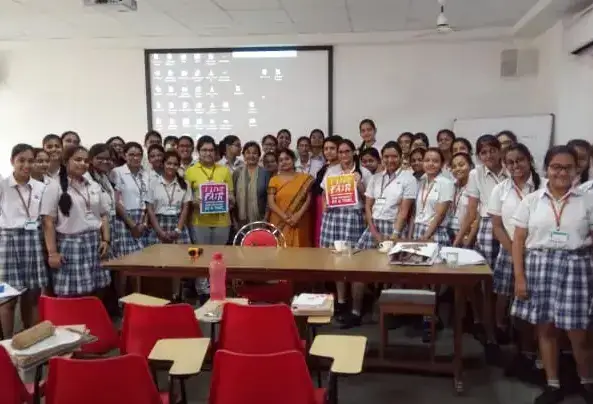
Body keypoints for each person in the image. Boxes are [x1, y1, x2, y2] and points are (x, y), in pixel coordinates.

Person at [511, 145, 593, 404]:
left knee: (578, 332)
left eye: (568, 167)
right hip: (539, 266)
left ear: (577, 169)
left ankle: (587, 382)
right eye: (556, 167)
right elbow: (518, 241)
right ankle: (552, 384)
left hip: (576, 267)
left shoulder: (587, 200)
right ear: (546, 169)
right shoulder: (532, 200)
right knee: (545, 329)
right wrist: (519, 277)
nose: (562, 172)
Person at [454, 134, 507, 356]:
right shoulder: (476, 174)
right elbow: (471, 212)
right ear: (478, 155)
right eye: (483, 152)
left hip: (511, 225)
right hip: (487, 228)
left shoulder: (510, 168)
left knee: (505, 286)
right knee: (487, 285)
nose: (488, 155)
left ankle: (502, 326)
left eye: (492, 150)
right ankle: (490, 335)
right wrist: (458, 240)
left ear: (500, 151)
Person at [488, 143, 542, 347]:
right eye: (510, 162)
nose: (515, 165)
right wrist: (514, 251)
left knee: (531, 295)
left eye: (519, 160)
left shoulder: (544, 185)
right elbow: (497, 226)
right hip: (509, 248)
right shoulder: (500, 189)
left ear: (529, 160)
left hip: (537, 252)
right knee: (503, 292)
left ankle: (529, 339)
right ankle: (501, 327)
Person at [41, 146, 111, 297]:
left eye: (86, 161)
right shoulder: (54, 186)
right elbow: (48, 222)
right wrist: (52, 253)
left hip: (94, 243)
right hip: (70, 245)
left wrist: (106, 240)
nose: (83, 164)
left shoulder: (93, 185)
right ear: (66, 161)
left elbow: (104, 214)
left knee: (96, 292)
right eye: (78, 160)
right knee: (70, 295)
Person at [320, 139, 372, 327]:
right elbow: (324, 193)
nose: (343, 155)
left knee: (355, 263)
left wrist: (359, 184)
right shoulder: (332, 171)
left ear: (353, 152)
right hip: (334, 217)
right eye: (340, 152)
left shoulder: (364, 172)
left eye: (347, 151)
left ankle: (356, 309)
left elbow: (369, 198)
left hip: (353, 217)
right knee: (336, 260)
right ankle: (341, 302)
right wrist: (325, 205)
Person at [0, 144, 48, 337]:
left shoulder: (41, 187)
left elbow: (45, 219)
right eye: (21, 160)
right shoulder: (3, 185)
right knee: (6, 298)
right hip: (7, 243)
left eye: (30, 161)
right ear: (12, 161)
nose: (26, 165)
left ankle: (30, 340)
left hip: (33, 241)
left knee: (32, 296)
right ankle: (6, 343)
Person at [185, 135, 234, 301]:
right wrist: (195, 202)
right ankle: (202, 292)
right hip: (199, 221)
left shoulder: (224, 170)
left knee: (218, 257)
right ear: (198, 152)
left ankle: (217, 290)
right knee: (198, 256)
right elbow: (187, 197)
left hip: (222, 221)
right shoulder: (191, 171)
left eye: (211, 150)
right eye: (204, 150)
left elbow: (232, 195)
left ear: (216, 152)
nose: (208, 153)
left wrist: (228, 199)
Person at [110, 142, 150, 257]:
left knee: (144, 257)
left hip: (143, 220)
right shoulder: (117, 172)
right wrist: (133, 225)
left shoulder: (146, 174)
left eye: (139, 155)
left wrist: (144, 223)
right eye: (131, 154)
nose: (136, 158)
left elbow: (149, 202)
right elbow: (116, 201)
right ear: (124, 155)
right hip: (124, 220)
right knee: (127, 258)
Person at [146, 150, 192, 248]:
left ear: (179, 166)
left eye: (175, 164)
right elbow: (150, 210)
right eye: (169, 163)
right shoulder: (153, 183)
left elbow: (185, 209)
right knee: (157, 256)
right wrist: (160, 232)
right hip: (158, 225)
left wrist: (178, 230)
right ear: (163, 164)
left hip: (178, 225)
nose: (171, 166)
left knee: (180, 256)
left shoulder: (185, 184)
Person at [267, 149, 313, 247]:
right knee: (280, 249)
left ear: (293, 160)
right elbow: (271, 203)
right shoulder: (274, 180)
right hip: (279, 221)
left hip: (300, 220)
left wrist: (298, 215)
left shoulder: (305, 178)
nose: (284, 162)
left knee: (301, 249)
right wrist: (286, 218)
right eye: (281, 160)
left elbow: (308, 199)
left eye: (287, 159)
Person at [409, 147, 454, 245]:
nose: (430, 164)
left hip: (435, 232)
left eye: (435, 161)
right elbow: (414, 213)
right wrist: (409, 237)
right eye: (427, 160)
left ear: (442, 164)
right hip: (417, 230)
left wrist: (425, 236)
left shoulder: (446, 183)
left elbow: (440, 215)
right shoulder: (420, 182)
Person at [312, 135, 342, 248]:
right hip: (321, 204)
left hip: (336, 208)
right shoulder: (325, 167)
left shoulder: (344, 168)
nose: (328, 151)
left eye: (332, 148)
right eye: (326, 149)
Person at [233, 142, 271, 229]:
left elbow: (269, 199)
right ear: (243, 155)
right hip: (240, 221)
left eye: (255, 153)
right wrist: (234, 219)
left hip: (260, 219)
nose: (251, 155)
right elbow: (233, 196)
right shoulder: (237, 173)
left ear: (259, 156)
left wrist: (266, 218)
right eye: (248, 153)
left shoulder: (265, 173)